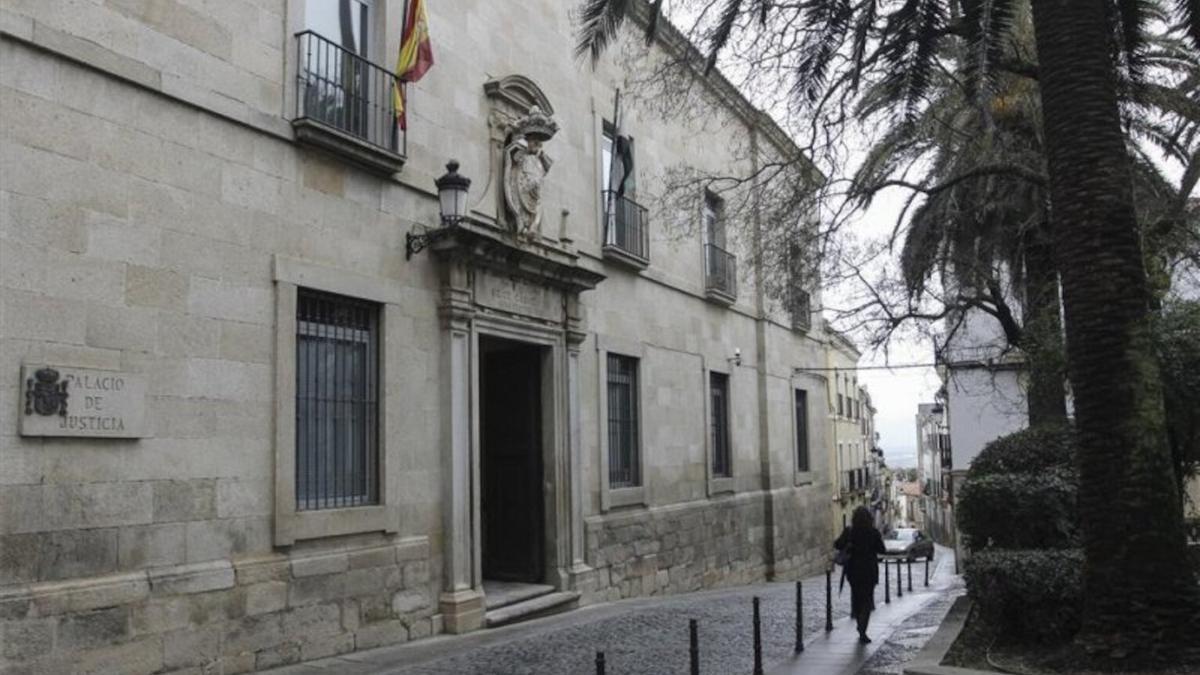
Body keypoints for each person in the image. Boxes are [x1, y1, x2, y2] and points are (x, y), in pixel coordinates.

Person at [834, 506, 887, 643]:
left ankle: (859, 622)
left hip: (854, 570)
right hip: (869, 570)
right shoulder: (873, 532)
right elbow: (882, 549)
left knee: (857, 598)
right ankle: (863, 629)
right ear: (869, 518)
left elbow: (838, 545)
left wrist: (850, 545)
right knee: (867, 600)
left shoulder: (849, 531)